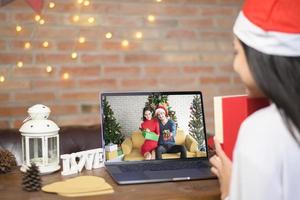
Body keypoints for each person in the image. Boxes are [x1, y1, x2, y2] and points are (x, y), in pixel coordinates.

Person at [209, 0, 300, 200]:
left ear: (259, 58)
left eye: (236, 52)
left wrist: (230, 190)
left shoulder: (262, 131)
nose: (234, 65)